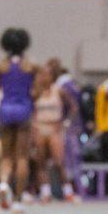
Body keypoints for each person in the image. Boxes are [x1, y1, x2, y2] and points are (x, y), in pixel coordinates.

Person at [0, 28, 38, 213]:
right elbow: (36, 93)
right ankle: (17, 199)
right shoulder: (30, 67)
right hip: (23, 110)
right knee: (22, 157)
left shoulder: (0, 67)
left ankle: (4, 182)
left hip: (5, 110)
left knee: (6, 155)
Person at [31, 65, 78, 203]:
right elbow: (31, 110)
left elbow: (73, 106)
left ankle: (68, 191)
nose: (45, 78)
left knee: (59, 161)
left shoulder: (59, 91)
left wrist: (66, 122)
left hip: (54, 128)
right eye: (42, 75)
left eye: (48, 75)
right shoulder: (36, 93)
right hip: (40, 127)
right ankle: (45, 192)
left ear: (52, 77)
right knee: (41, 162)